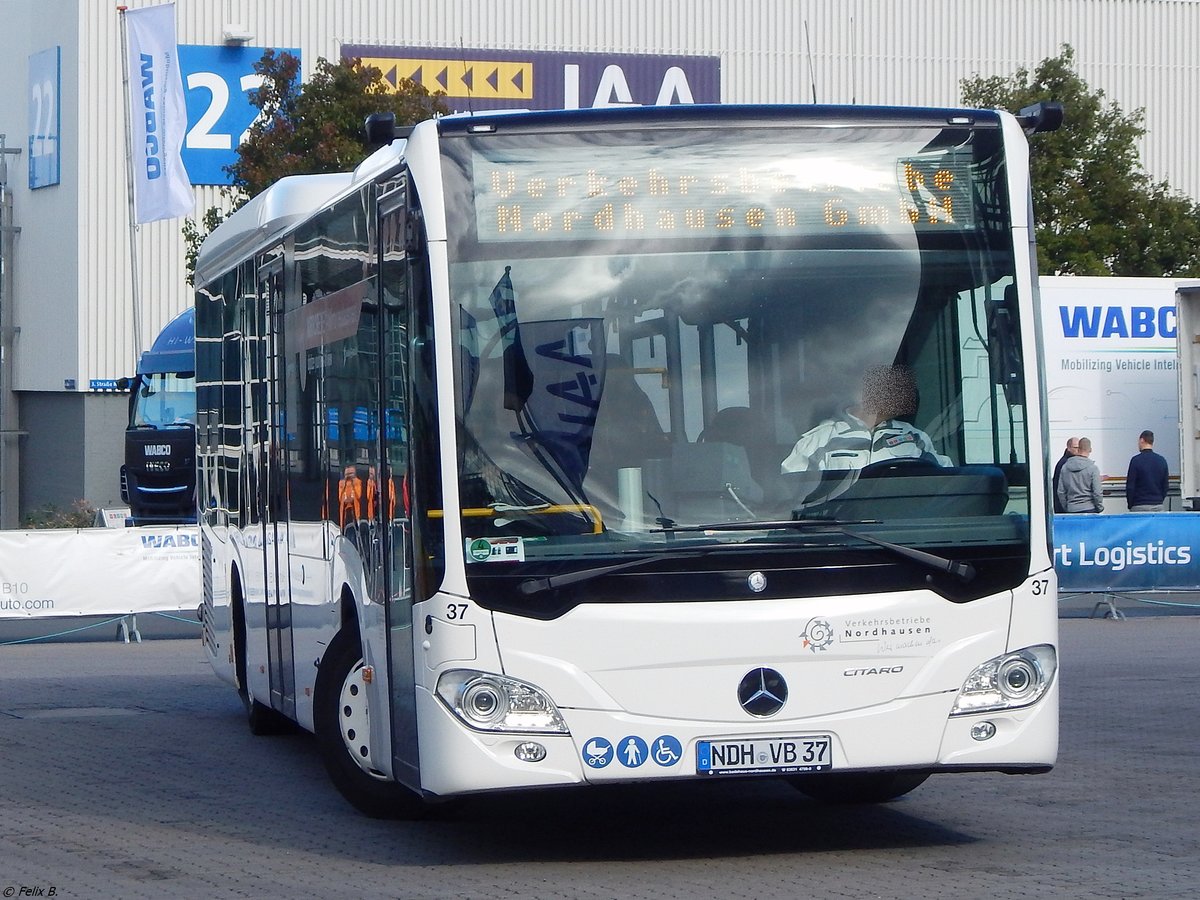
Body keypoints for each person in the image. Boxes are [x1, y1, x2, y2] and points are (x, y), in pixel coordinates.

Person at [781, 364, 951, 474]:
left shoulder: (915, 438)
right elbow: (793, 499)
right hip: (840, 520)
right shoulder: (817, 441)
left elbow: (945, 482)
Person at [1056, 436, 1103, 513]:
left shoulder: (1065, 467)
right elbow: (1097, 492)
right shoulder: (1093, 468)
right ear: (1090, 450)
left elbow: (1061, 492)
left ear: (1078, 449)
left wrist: (1066, 508)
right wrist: (1099, 507)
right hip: (1089, 508)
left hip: (1071, 508)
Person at [1125, 429, 1169, 512]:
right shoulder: (1162, 460)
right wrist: (1159, 500)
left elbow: (1130, 486)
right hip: (1157, 505)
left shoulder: (1135, 460)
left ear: (1142, 440)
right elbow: (1165, 485)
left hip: (1139, 505)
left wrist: (1130, 504)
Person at [1052, 437, 1079, 514]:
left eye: (1079, 447)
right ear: (1068, 448)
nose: (1078, 450)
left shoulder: (1067, 462)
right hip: (1065, 506)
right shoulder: (1065, 464)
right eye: (1075, 447)